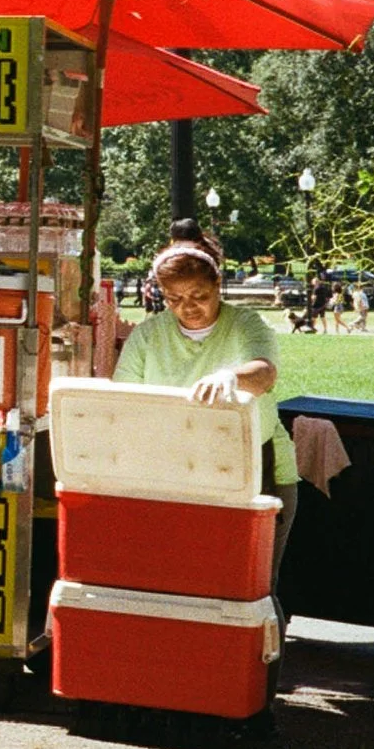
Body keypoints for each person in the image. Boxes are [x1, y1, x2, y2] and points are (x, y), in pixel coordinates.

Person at [115, 237, 299, 582]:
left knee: (251, 583)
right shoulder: (148, 335)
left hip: (256, 467)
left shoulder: (246, 324)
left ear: (217, 284)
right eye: (174, 299)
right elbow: (124, 400)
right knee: (182, 579)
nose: (188, 307)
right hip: (174, 473)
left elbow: (264, 373)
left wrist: (231, 377)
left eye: (198, 295)